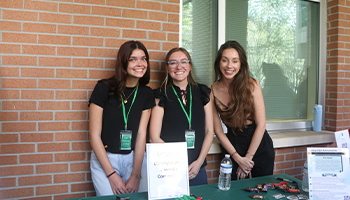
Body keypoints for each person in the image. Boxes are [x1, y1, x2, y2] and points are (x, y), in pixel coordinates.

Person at [88, 41, 155, 196]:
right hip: (106, 159)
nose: (140, 64)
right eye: (133, 59)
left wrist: (136, 174)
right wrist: (111, 175)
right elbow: (94, 135)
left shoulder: (146, 93)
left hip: (135, 158)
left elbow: (140, 134)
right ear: (123, 62)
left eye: (143, 59)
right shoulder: (103, 89)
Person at [149, 47, 214, 186]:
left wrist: (199, 162)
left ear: (190, 66)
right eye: (173, 63)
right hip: (169, 170)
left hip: (197, 168)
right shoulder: (160, 95)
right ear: (167, 68)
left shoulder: (203, 92)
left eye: (184, 62)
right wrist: (176, 165)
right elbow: (154, 137)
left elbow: (209, 131)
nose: (179, 66)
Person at [211, 41, 275, 180]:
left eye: (235, 61)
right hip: (233, 146)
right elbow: (218, 131)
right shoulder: (212, 91)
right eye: (225, 60)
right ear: (219, 63)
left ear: (241, 64)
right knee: (234, 192)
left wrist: (247, 159)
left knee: (262, 191)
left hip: (259, 143)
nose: (229, 66)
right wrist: (238, 159)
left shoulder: (252, 85)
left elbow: (261, 125)